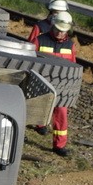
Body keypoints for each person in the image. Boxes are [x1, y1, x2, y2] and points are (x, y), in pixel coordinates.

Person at [33, 10, 77, 157]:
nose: (60, 33)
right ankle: (40, 125)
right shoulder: (40, 41)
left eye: (63, 31)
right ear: (53, 26)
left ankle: (59, 145)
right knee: (37, 107)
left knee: (62, 113)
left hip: (61, 86)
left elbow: (72, 68)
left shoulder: (70, 45)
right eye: (58, 30)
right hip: (41, 83)